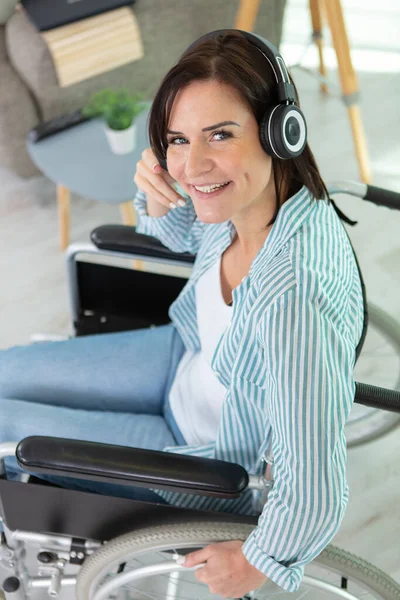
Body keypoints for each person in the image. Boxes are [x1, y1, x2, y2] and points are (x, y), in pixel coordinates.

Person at [0, 30, 364, 595]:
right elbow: (180, 233)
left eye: (219, 134)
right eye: (177, 139)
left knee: (2, 429)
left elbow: (314, 485)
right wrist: (158, 194)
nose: (192, 164)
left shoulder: (293, 299)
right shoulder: (267, 200)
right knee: (5, 369)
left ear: (280, 133)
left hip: (194, 456)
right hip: (182, 359)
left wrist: (258, 558)